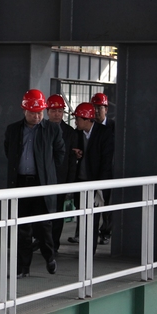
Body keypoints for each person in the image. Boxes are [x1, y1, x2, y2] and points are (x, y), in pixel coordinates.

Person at [5, 89, 65, 278]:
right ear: (24, 110)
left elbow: (60, 154)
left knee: (43, 226)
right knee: (21, 228)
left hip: (41, 185)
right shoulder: (13, 130)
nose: (37, 116)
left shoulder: (52, 129)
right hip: (20, 184)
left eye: (40, 113)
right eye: (33, 113)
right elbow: (9, 152)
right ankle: (23, 267)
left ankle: (49, 256)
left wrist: (47, 171)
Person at [70, 102, 114, 255]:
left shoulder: (104, 133)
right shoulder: (76, 134)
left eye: (78, 119)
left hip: (96, 183)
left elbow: (106, 162)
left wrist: (100, 187)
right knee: (82, 217)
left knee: (93, 219)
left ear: (87, 119)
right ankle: (84, 249)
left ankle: (89, 251)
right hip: (80, 183)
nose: (76, 122)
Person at [44, 94, 79, 253]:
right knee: (42, 212)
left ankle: (53, 244)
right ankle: (42, 241)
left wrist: (69, 184)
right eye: (54, 111)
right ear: (47, 111)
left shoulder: (70, 133)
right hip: (43, 179)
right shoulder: (41, 129)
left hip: (60, 179)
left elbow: (72, 161)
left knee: (57, 214)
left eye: (60, 111)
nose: (57, 114)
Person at [91, 92, 114, 245]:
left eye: (100, 107)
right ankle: (83, 232)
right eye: (94, 107)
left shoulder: (114, 127)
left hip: (109, 171)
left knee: (107, 203)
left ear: (106, 109)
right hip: (93, 172)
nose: (97, 111)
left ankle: (106, 232)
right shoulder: (89, 125)